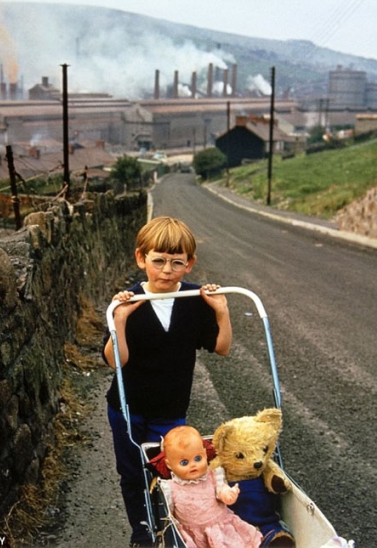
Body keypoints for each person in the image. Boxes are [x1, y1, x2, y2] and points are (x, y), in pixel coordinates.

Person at [103, 216, 232, 547]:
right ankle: (142, 531)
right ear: (141, 258)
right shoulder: (129, 301)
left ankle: (172, 529)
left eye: (177, 263)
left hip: (171, 408)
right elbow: (115, 360)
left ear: (189, 264)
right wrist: (120, 319)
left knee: (173, 473)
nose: (166, 270)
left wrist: (221, 310)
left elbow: (221, 347)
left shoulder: (193, 300)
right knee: (132, 472)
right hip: (128, 406)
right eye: (158, 261)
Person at [160, 425, 262, 548]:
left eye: (198, 458)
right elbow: (169, 513)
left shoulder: (213, 474)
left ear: (205, 454)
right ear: (169, 465)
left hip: (221, 528)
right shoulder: (170, 487)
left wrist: (228, 495)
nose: (193, 465)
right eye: (184, 462)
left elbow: (221, 490)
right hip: (193, 533)